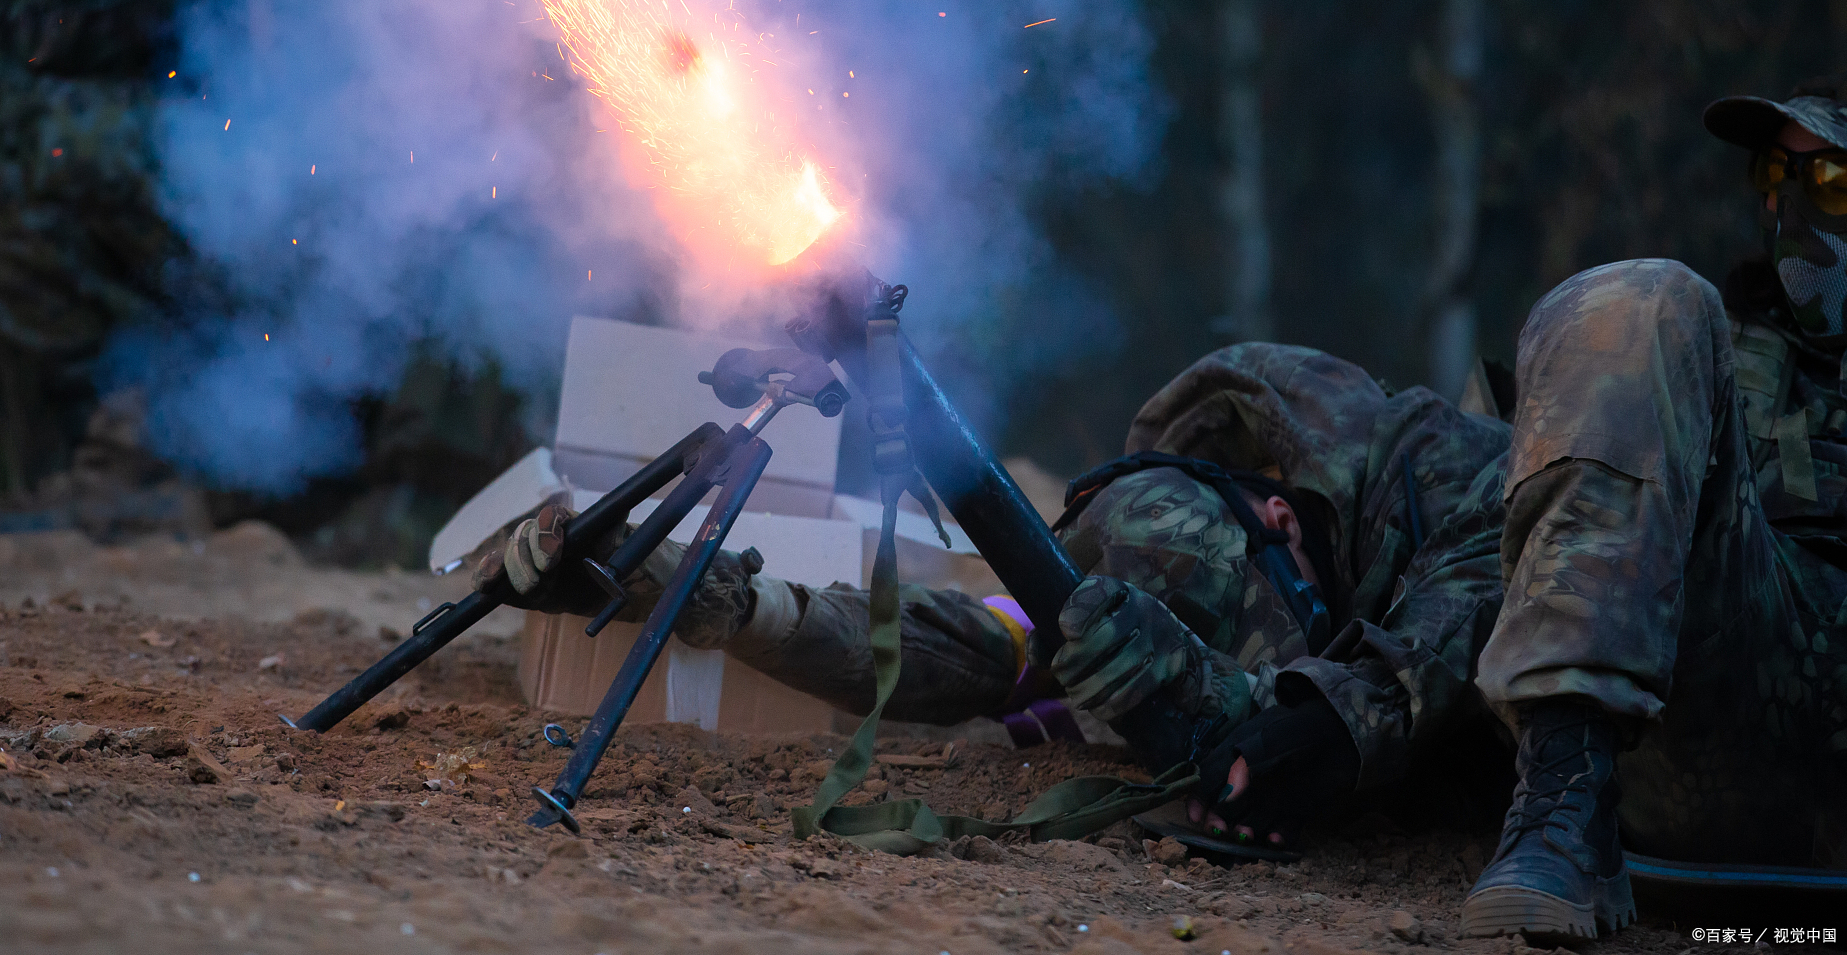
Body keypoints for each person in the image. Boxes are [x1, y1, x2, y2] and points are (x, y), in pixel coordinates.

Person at [475, 77, 1847, 943]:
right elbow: (982, 654)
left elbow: (1473, 587)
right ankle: (1563, 808)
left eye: (1827, 179)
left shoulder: (1435, 479)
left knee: (1626, 301)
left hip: (1797, 687)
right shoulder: (1702, 365)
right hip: (1696, 720)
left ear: (1290, 525)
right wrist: (699, 596)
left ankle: (1558, 816)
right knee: (1637, 314)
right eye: (1782, 179)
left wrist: (1326, 718)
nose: (1795, 212)